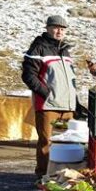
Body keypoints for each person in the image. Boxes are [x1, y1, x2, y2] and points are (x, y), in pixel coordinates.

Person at [22, 15, 78, 176]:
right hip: (48, 106)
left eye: (63, 28)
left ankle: (62, 175)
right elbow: (28, 75)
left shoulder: (65, 50)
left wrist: (75, 101)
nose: (59, 31)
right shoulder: (38, 48)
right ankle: (42, 175)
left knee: (67, 142)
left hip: (67, 107)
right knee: (46, 142)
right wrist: (46, 93)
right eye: (55, 27)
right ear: (47, 28)